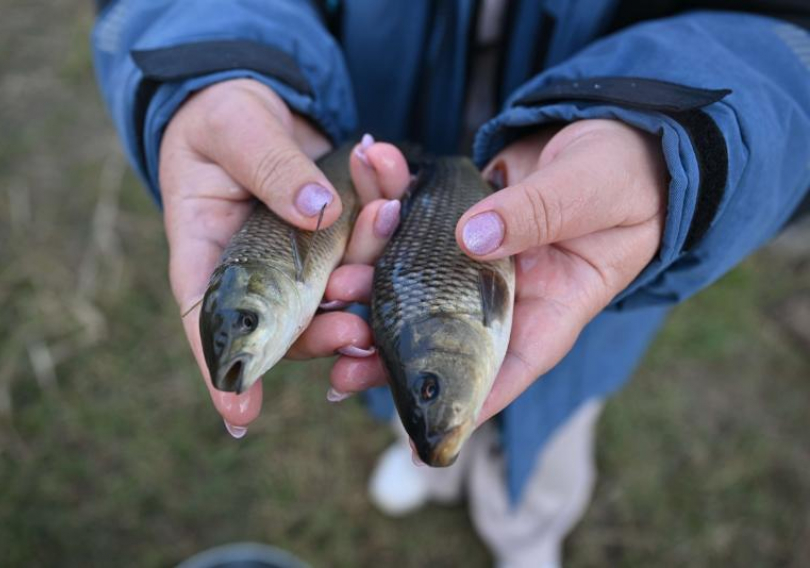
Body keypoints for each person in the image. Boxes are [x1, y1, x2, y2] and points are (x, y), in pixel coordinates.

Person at [92, 1, 810, 566]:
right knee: (393, 386)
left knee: (554, 420)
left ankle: (526, 526)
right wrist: (216, 69)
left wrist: (667, 141)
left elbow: (787, 40)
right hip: (384, 176)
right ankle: (429, 459)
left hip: (580, 253)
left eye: (246, 320)